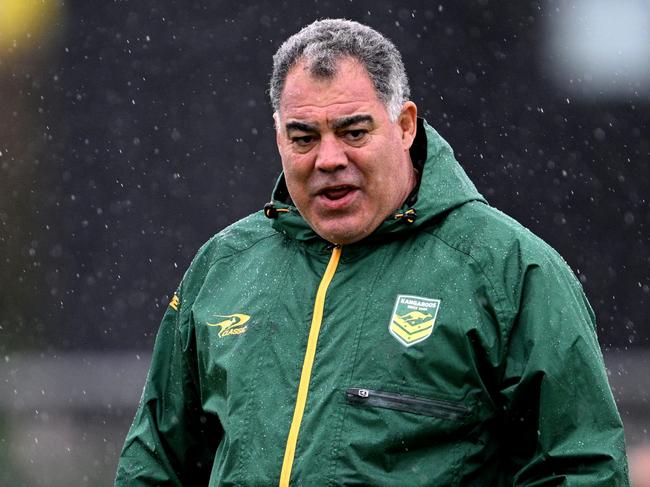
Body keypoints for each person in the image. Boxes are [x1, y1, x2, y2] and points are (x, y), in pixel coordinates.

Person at [115, 19, 630, 486]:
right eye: (304, 138)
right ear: (278, 138)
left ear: (405, 126)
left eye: (353, 132)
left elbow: (580, 469)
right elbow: (155, 465)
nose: (329, 159)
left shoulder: (510, 270)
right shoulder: (223, 266)